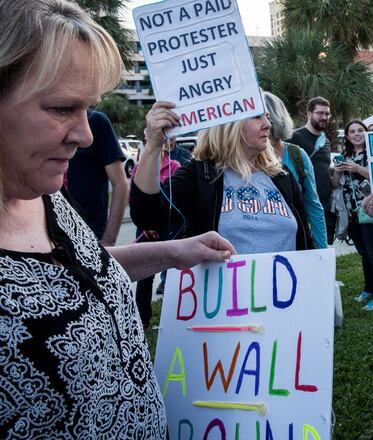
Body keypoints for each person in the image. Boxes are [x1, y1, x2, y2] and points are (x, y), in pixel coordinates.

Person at [0, 1, 236, 437]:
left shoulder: (46, 198)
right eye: (62, 108)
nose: (84, 135)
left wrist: (172, 252)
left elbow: (77, 275)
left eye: (88, 109)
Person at [131, 102, 314, 254]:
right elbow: (148, 217)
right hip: (223, 296)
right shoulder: (199, 175)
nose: (268, 124)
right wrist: (153, 146)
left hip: (284, 295)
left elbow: (305, 242)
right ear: (230, 123)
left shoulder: (282, 176)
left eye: (266, 116)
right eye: (257, 116)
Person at [332, 120, 373, 311]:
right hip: (350, 212)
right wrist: (338, 172)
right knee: (363, 252)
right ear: (347, 136)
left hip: (368, 210)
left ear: (365, 133)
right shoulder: (344, 156)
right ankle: (368, 289)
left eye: (360, 130)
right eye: (352, 131)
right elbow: (336, 185)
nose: (356, 134)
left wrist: (357, 169)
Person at [131, 131, 183, 328]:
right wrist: (146, 225)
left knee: (171, 273)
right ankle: (141, 321)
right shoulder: (139, 168)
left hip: (166, 229)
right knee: (144, 277)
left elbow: (174, 202)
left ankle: (170, 320)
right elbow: (135, 199)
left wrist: (158, 223)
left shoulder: (175, 167)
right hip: (144, 231)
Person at [263, 91, 328, 249]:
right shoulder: (243, 158)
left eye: (265, 116)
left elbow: (313, 205)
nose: (262, 123)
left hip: (295, 245)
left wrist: (322, 253)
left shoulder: (296, 155)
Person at [65, 109, 129, 245]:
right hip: (49, 237)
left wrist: (108, 240)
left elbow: (121, 184)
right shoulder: (44, 122)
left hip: (89, 235)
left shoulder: (96, 121)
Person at [288, 97, 336, 243]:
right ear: (309, 114)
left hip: (325, 208)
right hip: (303, 207)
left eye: (327, 114)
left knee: (324, 250)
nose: (324, 117)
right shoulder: (293, 137)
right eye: (320, 113)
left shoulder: (325, 141)